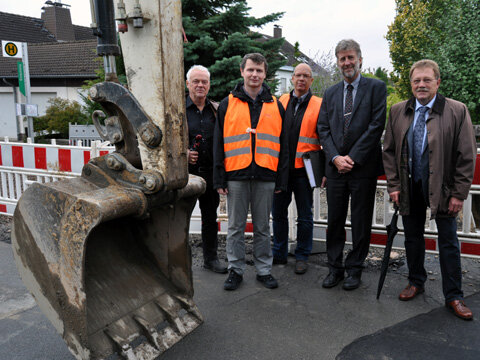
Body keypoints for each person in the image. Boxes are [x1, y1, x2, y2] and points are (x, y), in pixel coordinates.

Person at [383, 59, 475, 320]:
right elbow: (389, 151)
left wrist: (459, 193)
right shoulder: (399, 111)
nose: (421, 85)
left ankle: (454, 295)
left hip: (444, 189)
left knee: (448, 242)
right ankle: (416, 281)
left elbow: (466, 155)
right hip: (409, 187)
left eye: (426, 80)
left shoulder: (457, 111)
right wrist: (394, 185)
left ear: (438, 82)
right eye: (416, 80)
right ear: (411, 84)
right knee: (412, 238)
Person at [213, 53, 288, 291]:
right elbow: (218, 143)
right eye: (250, 70)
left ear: (265, 74)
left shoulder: (275, 105)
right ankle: (235, 270)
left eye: (259, 71)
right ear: (242, 72)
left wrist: (281, 178)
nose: (254, 74)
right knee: (235, 226)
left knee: (263, 226)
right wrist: (219, 177)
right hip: (236, 174)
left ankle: (264, 270)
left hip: (266, 174)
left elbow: (283, 144)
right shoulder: (227, 103)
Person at [317, 39, 386, 290]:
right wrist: (335, 157)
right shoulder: (330, 92)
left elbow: (376, 125)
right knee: (333, 220)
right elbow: (322, 128)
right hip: (335, 169)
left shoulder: (376, 87)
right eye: (342, 58)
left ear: (360, 59)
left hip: (363, 168)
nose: (347, 62)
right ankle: (335, 268)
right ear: (337, 62)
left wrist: (352, 158)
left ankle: (355, 268)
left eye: (351, 57)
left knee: (360, 220)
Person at [272, 63, 322, 274]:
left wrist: (324, 171)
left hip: (304, 169)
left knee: (305, 216)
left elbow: (325, 137)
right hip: (281, 169)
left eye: (306, 76)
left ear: (311, 81)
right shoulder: (280, 101)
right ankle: (279, 253)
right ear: (292, 78)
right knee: (279, 213)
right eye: (298, 75)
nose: (301, 79)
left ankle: (302, 255)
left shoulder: (320, 104)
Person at [186, 65, 227, 274]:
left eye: (204, 82)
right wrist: (183, 153)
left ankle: (211, 259)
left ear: (209, 85)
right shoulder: (177, 109)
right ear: (188, 84)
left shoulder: (216, 109)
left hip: (210, 173)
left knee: (210, 217)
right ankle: (179, 261)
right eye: (196, 81)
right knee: (180, 218)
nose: (200, 85)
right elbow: (165, 140)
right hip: (186, 175)